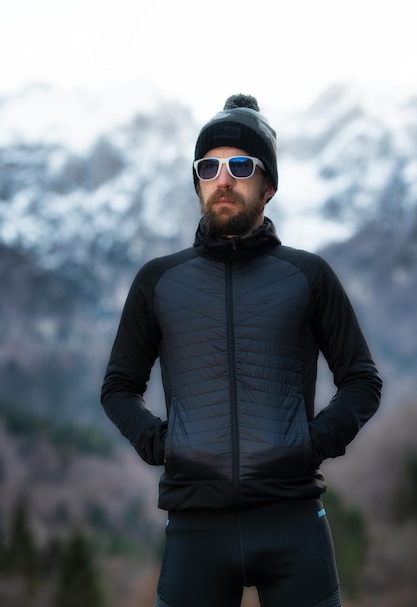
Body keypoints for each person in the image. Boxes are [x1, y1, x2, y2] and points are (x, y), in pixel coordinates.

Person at [101, 94, 382, 607]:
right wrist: (162, 445)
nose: (223, 178)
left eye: (240, 165)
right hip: (194, 529)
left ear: (267, 185)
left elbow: (361, 380)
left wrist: (309, 443)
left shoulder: (308, 275)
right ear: (198, 181)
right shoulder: (159, 281)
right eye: (208, 166)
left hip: (293, 522)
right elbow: (119, 387)